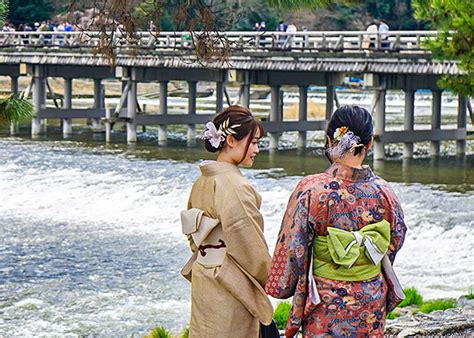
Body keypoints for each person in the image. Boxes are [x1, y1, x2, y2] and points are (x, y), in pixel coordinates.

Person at [266, 105, 407, 337]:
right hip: (370, 299)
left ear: (329, 139)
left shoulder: (312, 189)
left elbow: (294, 247)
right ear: (369, 143)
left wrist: (286, 285)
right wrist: (364, 262)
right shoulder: (385, 192)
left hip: (325, 301)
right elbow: (396, 237)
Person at [181, 105, 274, 337]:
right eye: (253, 142)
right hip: (229, 284)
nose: (257, 149)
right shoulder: (235, 186)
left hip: (204, 276)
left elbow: (193, 237)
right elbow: (251, 248)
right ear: (231, 140)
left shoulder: (201, 181)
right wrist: (270, 279)